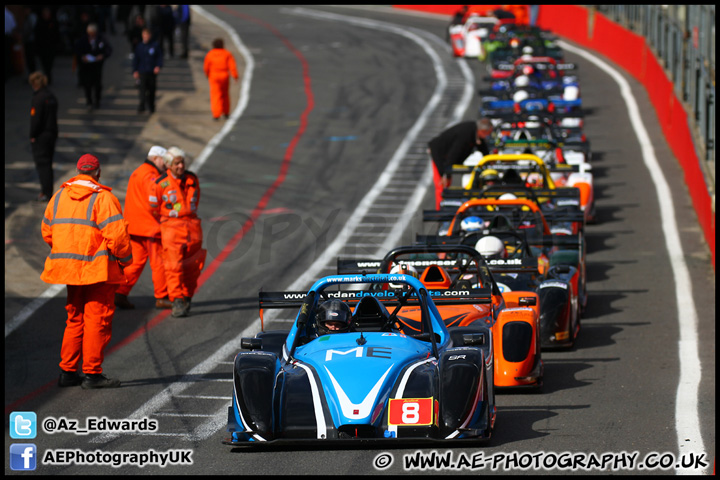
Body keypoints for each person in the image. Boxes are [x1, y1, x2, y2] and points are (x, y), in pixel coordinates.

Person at [40, 154, 132, 389]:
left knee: (74, 318)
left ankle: (68, 371)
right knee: (96, 320)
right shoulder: (104, 199)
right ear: (98, 172)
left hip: (70, 270)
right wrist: (125, 260)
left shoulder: (59, 196)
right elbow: (118, 237)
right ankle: (92, 373)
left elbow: (48, 232)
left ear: (78, 171)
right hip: (97, 271)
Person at [151, 147, 206, 317]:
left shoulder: (192, 178)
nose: (181, 166)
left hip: (192, 226)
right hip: (171, 228)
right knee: (173, 267)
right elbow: (153, 208)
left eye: (182, 162)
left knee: (194, 266)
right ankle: (177, 300)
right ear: (168, 165)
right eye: (177, 163)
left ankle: (187, 295)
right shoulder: (160, 183)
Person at [114, 146, 172, 310]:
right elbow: (153, 199)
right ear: (156, 159)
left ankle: (121, 292)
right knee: (160, 263)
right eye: (164, 161)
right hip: (150, 228)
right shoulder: (151, 176)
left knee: (134, 263)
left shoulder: (138, 172)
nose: (166, 165)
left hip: (134, 227)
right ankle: (162, 296)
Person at [428, 118, 494, 209]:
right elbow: (453, 155)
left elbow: (482, 147)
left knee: (446, 183)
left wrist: (490, 161)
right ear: (482, 131)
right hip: (440, 153)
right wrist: (444, 174)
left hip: (448, 155)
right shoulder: (465, 135)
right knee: (442, 185)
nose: (489, 135)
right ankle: (440, 212)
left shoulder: (476, 132)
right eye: (488, 133)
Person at [29, 71, 58, 202]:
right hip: (52, 133)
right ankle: (49, 190)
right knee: (48, 163)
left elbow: (36, 120)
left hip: (41, 136)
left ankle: (45, 192)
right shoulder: (51, 96)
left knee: (42, 165)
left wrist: (32, 135)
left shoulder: (38, 99)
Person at [74, 23, 112, 109]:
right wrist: (82, 57)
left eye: (93, 33)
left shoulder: (101, 39)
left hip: (97, 66)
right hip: (86, 66)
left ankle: (97, 101)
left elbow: (108, 50)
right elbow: (77, 49)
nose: (91, 35)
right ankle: (89, 100)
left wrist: (102, 56)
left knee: (97, 84)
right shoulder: (83, 39)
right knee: (87, 84)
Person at [203, 38, 238, 120]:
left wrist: (207, 74)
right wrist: (235, 76)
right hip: (224, 75)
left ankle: (216, 114)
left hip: (214, 75)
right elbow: (232, 65)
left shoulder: (210, 54)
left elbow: (206, 66)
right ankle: (226, 112)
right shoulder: (227, 53)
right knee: (225, 94)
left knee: (215, 95)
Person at [132, 27, 163, 114]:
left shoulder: (155, 46)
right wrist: (135, 70)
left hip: (152, 72)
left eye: (147, 35)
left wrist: (158, 66)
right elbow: (136, 59)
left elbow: (159, 58)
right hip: (142, 72)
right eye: (144, 35)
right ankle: (142, 105)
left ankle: (151, 106)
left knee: (151, 90)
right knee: (142, 89)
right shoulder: (139, 46)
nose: (146, 37)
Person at [34, 7, 61, 85]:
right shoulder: (39, 23)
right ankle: (47, 77)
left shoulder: (53, 22)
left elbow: (57, 35)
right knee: (44, 64)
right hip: (42, 48)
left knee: (49, 64)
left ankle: (48, 77)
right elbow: (37, 35)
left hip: (51, 47)